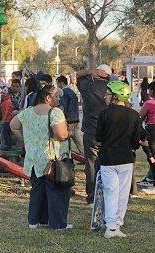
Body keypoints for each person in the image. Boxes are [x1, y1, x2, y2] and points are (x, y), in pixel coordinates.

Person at [10, 83, 73, 231]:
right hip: (52, 158)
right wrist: (68, 132)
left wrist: (26, 141)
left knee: (37, 190)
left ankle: (34, 221)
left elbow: (13, 125)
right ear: (48, 97)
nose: (59, 99)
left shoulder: (28, 112)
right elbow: (61, 135)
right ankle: (57, 224)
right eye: (56, 96)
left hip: (33, 158)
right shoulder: (55, 112)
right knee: (56, 191)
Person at [95, 80, 144, 238]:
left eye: (108, 93)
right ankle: (117, 224)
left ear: (115, 96)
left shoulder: (104, 114)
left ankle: (110, 226)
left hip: (108, 159)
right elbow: (137, 140)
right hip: (126, 159)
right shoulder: (134, 115)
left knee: (111, 192)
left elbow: (99, 137)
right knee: (123, 193)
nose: (105, 96)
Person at [76, 64, 112, 204]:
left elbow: (78, 75)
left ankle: (91, 195)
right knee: (109, 163)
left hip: (91, 131)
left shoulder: (88, 87)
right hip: (108, 131)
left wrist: (90, 72)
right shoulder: (112, 88)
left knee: (90, 163)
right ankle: (108, 192)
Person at [56, 75, 83, 156]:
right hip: (76, 118)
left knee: (65, 140)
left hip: (69, 119)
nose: (57, 85)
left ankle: (66, 156)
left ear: (61, 83)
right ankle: (85, 156)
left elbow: (63, 107)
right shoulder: (72, 91)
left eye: (58, 83)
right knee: (78, 140)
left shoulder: (63, 92)